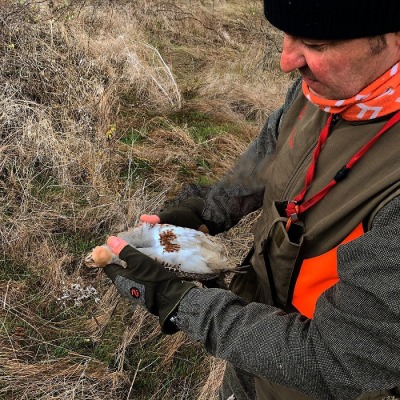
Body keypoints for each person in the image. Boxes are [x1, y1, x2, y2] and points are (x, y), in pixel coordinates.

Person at [103, 1, 400, 399]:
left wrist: (180, 303)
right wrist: (206, 213)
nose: (286, 60)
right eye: (287, 35)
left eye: (315, 42)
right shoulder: (320, 91)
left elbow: (340, 363)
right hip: (253, 354)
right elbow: (271, 156)